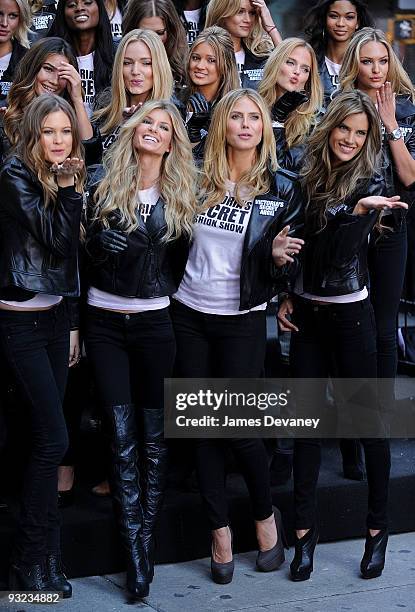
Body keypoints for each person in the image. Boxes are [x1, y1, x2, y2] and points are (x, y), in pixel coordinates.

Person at [171, 88, 304, 584]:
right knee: (202, 430)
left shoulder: (280, 187)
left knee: (242, 430)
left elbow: (292, 256)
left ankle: (265, 517)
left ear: (264, 128)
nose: (245, 125)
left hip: (242, 317)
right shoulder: (192, 177)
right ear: (222, 125)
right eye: (236, 117)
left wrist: (275, 261)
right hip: (188, 313)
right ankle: (219, 532)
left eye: (254, 117)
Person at [277, 90, 408, 582]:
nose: (350, 139)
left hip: (352, 318)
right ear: (329, 128)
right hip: (308, 315)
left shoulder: (372, 180)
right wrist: (288, 290)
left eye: (359, 133)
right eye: (343, 129)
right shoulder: (306, 173)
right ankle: (304, 538)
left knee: (368, 428)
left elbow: (337, 256)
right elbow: (298, 243)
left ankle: (377, 531)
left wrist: (355, 215)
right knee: (307, 432)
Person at [84, 100, 197, 599]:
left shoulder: (182, 196)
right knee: (121, 438)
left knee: (154, 440)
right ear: (132, 132)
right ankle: (135, 556)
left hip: (155, 325)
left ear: (173, 142)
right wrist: (92, 246)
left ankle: (143, 550)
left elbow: (183, 263)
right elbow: (74, 254)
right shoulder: (99, 185)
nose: (153, 130)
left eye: (163, 127)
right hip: (104, 324)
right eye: (146, 123)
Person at [0, 93, 84, 595]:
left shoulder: (57, 176)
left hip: (52, 320)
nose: (58, 141)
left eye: (66, 133)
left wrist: (71, 321)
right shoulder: (14, 175)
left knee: (45, 442)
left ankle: (46, 560)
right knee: (52, 439)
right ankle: (29, 559)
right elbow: (57, 241)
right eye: (49, 132)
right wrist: (71, 189)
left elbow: (69, 263)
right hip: (18, 324)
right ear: (33, 134)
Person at [339, 27, 415, 421]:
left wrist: (389, 122)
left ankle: (377, 418)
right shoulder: (339, 104)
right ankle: (353, 418)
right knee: (353, 326)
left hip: (391, 227)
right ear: (354, 63)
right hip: (349, 225)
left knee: (385, 326)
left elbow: (409, 176)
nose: (375, 68)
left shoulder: (406, 106)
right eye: (367, 60)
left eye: (382, 60)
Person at [93, 28, 173, 153]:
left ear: (159, 67)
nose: (135, 71)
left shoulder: (170, 119)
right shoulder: (102, 114)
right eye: (127, 63)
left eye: (146, 63)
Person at [259, 37, 323, 174]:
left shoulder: (314, 122)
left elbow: (283, 172)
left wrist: (278, 121)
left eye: (305, 69)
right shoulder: (253, 107)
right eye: (290, 63)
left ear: (308, 79)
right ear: (276, 64)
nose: (297, 72)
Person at [47, 0, 115, 117]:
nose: (79, 8)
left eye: (87, 2)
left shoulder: (117, 55)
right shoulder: (50, 56)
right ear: (62, 13)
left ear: (100, 9)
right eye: (72, 5)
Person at [304, 0, 374, 107]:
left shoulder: (368, 63)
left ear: (357, 23)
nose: (341, 23)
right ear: (324, 19)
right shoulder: (309, 60)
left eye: (349, 17)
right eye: (334, 16)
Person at [181, 25, 239, 149]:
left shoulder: (236, 107)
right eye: (196, 58)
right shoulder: (175, 101)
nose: (200, 66)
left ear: (226, 65)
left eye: (211, 60)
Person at [205, 0, 281, 89]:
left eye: (252, 13)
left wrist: (271, 28)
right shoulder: (204, 54)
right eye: (240, 12)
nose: (248, 20)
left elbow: (290, 72)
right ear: (222, 13)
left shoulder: (262, 55)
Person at [122, 0, 188, 87]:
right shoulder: (116, 58)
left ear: (171, 31)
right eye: (144, 32)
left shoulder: (185, 65)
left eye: (159, 33)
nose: (152, 39)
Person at [0, 0, 32, 102]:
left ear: (21, 20)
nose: (4, 23)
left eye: (12, 16)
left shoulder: (28, 60)